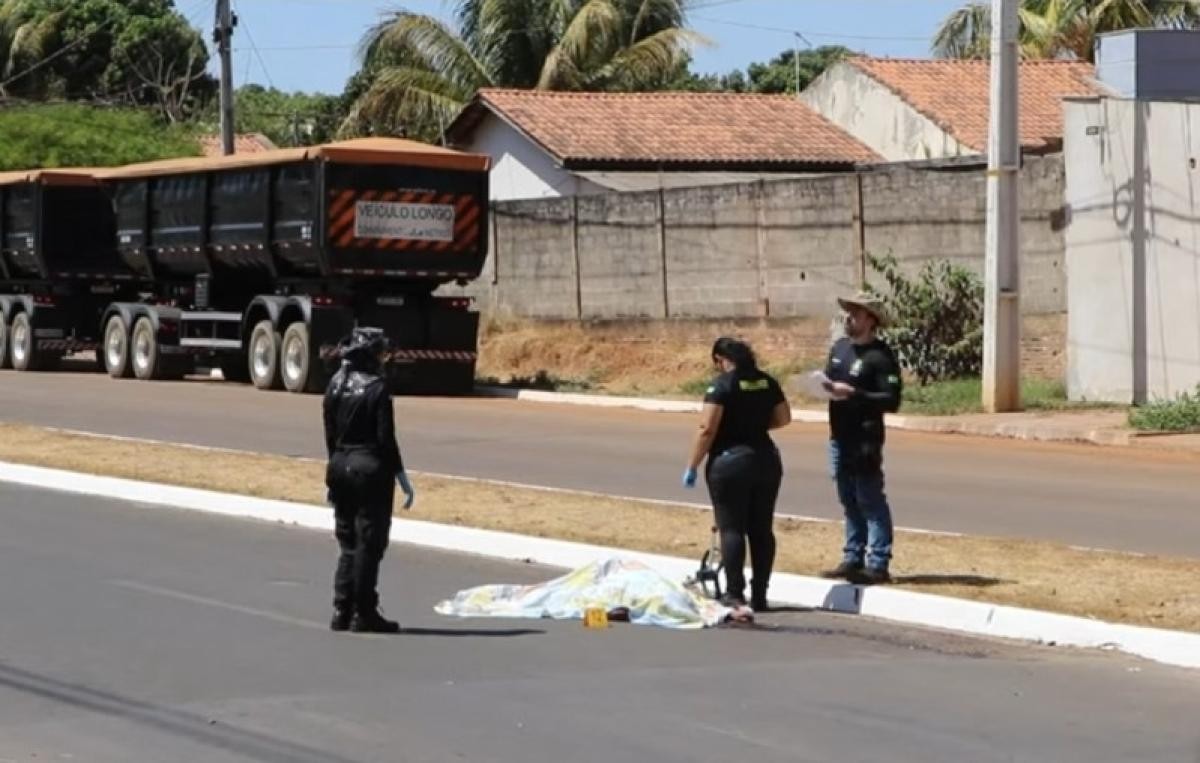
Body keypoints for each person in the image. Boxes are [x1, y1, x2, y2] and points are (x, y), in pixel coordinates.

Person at [682, 337, 791, 615]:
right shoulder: (767, 381)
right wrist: (753, 425)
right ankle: (760, 594)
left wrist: (692, 465)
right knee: (761, 529)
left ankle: (734, 594)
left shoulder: (721, 385)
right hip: (766, 458)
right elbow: (783, 418)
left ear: (720, 359)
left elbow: (707, 428)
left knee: (732, 529)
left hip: (729, 462)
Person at [323, 327, 416, 633]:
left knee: (347, 539)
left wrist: (333, 474)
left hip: (339, 465)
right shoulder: (377, 389)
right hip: (369, 469)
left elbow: (330, 435)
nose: (382, 359)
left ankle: (341, 608)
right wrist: (401, 475)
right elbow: (386, 440)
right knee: (370, 542)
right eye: (379, 353)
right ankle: (364, 611)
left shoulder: (334, 385)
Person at [820, 292, 902, 585]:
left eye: (855, 313)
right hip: (838, 436)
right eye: (848, 312)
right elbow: (829, 380)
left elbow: (891, 400)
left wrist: (855, 393)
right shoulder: (840, 348)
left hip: (865, 438)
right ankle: (853, 556)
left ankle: (878, 562)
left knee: (869, 498)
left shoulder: (881, 356)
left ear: (870, 320)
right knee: (848, 498)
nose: (849, 318)